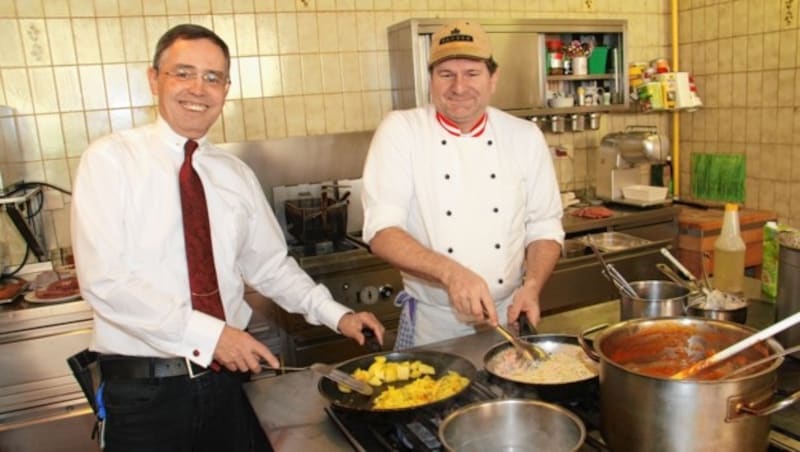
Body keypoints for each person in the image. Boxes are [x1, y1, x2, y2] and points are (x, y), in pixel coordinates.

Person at [70, 24, 384, 452]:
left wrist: (336, 315)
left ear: (226, 89)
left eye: (213, 77)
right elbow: (106, 283)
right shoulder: (110, 160)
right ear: (153, 79)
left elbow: (271, 267)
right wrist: (213, 335)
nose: (199, 88)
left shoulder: (233, 173)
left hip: (229, 387)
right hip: (146, 395)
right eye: (183, 73)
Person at [361, 20, 564, 348]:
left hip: (508, 316)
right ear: (430, 80)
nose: (459, 87)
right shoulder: (402, 131)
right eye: (446, 74)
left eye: (472, 73)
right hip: (433, 325)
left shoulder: (524, 136)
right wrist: (452, 274)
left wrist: (532, 286)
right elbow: (381, 232)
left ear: (492, 78)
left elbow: (544, 225)